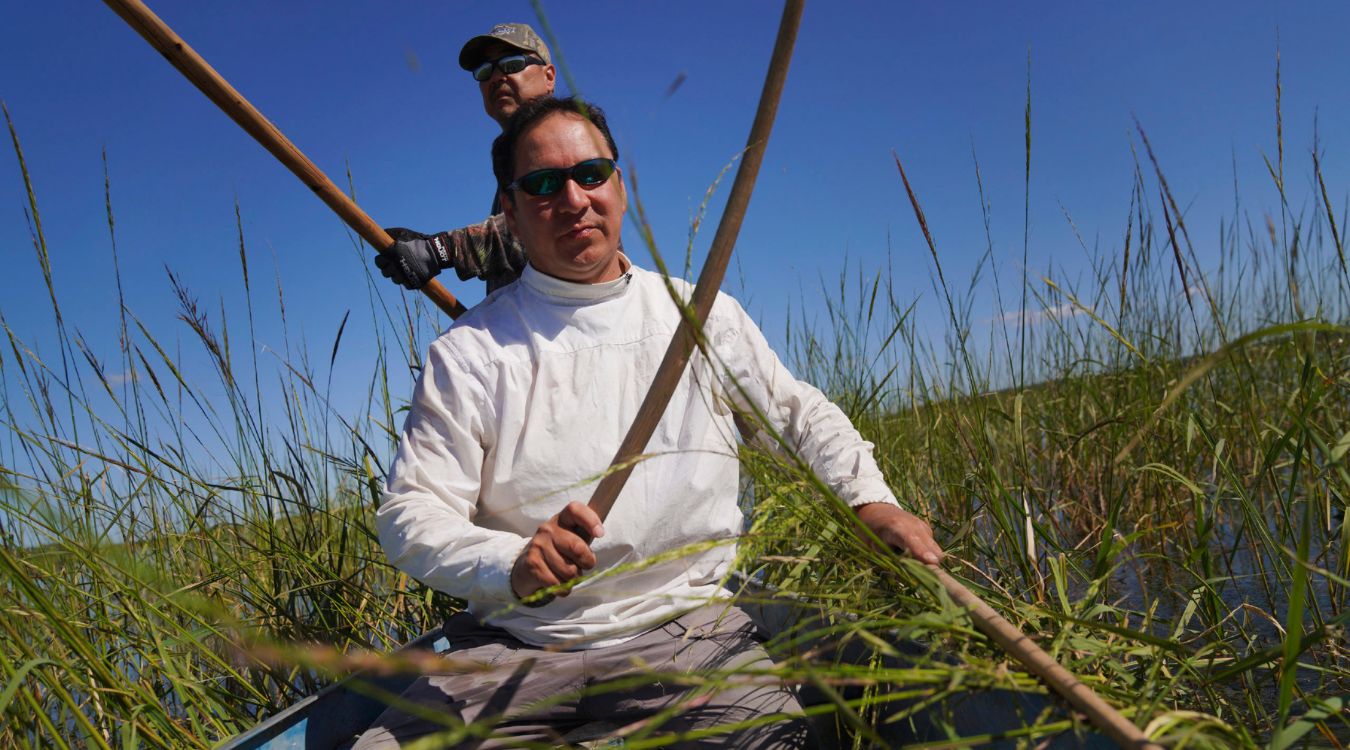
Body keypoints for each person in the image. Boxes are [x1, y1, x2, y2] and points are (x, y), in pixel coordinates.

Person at [358, 96, 944, 749]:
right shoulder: (468, 353)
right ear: (512, 211)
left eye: (591, 173)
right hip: (514, 644)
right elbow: (411, 515)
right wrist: (511, 562)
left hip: (689, 631)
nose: (575, 200)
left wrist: (869, 502)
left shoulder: (698, 313)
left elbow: (792, 412)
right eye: (544, 185)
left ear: (621, 185)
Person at [375, 22, 557, 294]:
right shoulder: (513, 156)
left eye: (512, 64)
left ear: (549, 77)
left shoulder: (563, 137)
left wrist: (439, 250)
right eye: (485, 71)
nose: (496, 78)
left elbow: (546, 222)